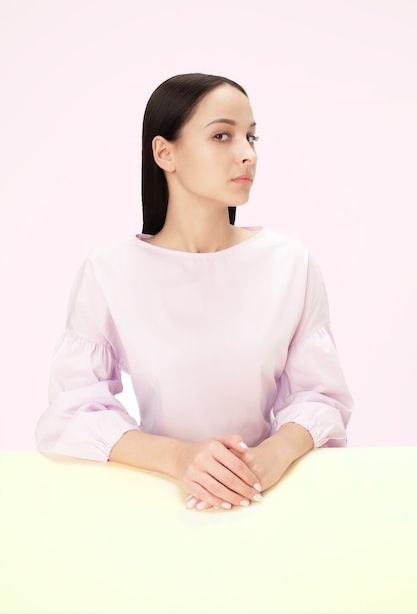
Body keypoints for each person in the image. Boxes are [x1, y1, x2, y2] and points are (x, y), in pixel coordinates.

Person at [36, 73, 353, 511]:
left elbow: (320, 397)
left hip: (269, 500)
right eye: (222, 135)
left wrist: (271, 458)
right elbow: (73, 409)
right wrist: (180, 458)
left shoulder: (290, 263)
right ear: (164, 152)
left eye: (252, 137)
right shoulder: (109, 269)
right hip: (158, 502)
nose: (247, 154)